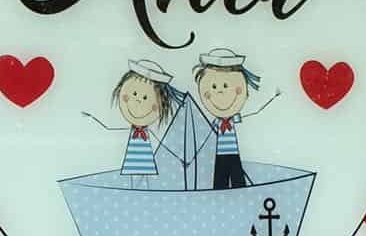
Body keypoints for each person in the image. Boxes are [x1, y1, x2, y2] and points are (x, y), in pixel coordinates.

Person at [165, 46, 279, 190]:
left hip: (233, 152)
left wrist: (271, 99)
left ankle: (240, 191)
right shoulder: (217, 122)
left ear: (239, 89)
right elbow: (207, 135)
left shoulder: (232, 119)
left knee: (237, 177)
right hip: (220, 153)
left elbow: (254, 113)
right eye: (213, 87)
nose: (220, 92)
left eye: (225, 86)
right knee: (220, 179)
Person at [81, 58, 186, 187]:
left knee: (145, 176)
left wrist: (178, 158)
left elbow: (161, 143)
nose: (138, 101)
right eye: (134, 94)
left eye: (145, 98)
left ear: (157, 106)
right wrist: (93, 119)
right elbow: (110, 129)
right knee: (132, 175)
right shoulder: (134, 131)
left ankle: (143, 190)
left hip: (145, 158)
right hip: (133, 157)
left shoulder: (148, 133)